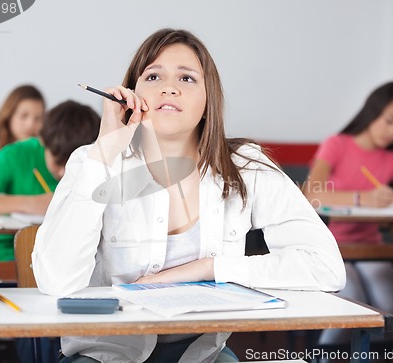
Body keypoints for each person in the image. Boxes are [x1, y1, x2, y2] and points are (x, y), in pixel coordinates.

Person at [32, 28, 346, 363]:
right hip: (107, 353)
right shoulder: (92, 161)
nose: (169, 87)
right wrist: (105, 149)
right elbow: (56, 280)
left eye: (187, 78)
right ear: (130, 95)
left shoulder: (244, 165)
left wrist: (209, 268)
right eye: (153, 76)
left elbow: (326, 267)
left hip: (202, 354)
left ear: (209, 99)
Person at [304, 81, 393, 343]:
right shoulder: (336, 145)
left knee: (390, 311)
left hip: (371, 248)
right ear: (373, 112)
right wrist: (363, 198)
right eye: (389, 120)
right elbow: (311, 193)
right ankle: (322, 358)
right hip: (332, 249)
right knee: (350, 308)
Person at [0, 100, 101, 261]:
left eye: (72, 164)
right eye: (57, 162)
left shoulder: (98, 162)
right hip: (12, 261)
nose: (63, 172)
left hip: (74, 262)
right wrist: (29, 204)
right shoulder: (15, 155)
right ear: (43, 141)